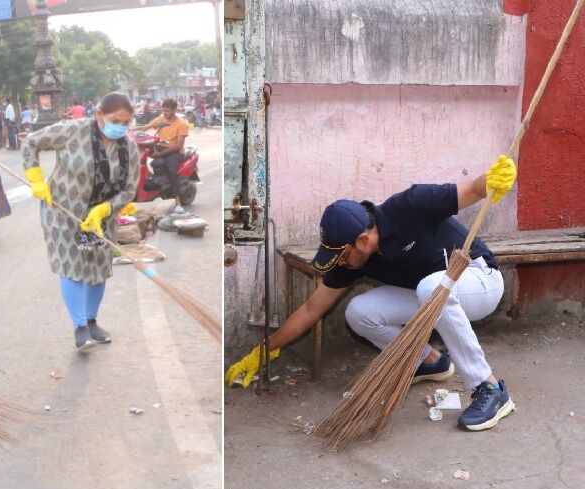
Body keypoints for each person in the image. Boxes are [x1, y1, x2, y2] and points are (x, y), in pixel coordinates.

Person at [225, 158, 519, 431]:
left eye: (340, 255)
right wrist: (264, 350)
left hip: (480, 281)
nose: (338, 262)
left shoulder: (410, 206)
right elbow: (310, 310)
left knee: (430, 287)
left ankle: (490, 388)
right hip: (430, 295)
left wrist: (492, 180)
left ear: (363, 240)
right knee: (359, 312)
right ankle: (428, 361)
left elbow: (471, 190)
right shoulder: (354, 258)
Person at [20, 92, 140, 350]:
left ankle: (92, 320)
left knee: (98, 268)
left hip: (101, 218)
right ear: (99, 115)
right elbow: (30, 143)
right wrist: (36, 178)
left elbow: (129, 189)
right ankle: (80, 327)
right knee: (72, 265)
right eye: (115, 119)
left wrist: (105, 209)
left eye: (126, 122)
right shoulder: (72, 131)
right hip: (64, 214)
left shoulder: (129, 148)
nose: (121, 126)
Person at [139, 98, 190, 205]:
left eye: (167, 111)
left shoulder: (181, 124)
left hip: (174, 151)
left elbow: (178, 145)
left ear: (174, 110)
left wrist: (160, 154)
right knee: (139, 155)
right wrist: (131, 130)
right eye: (163, 111)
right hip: (160, 146)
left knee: (172, 170)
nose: (165, 113)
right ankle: (149, 177)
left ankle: (177, 200)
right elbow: (145, 128)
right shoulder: (161, 119)